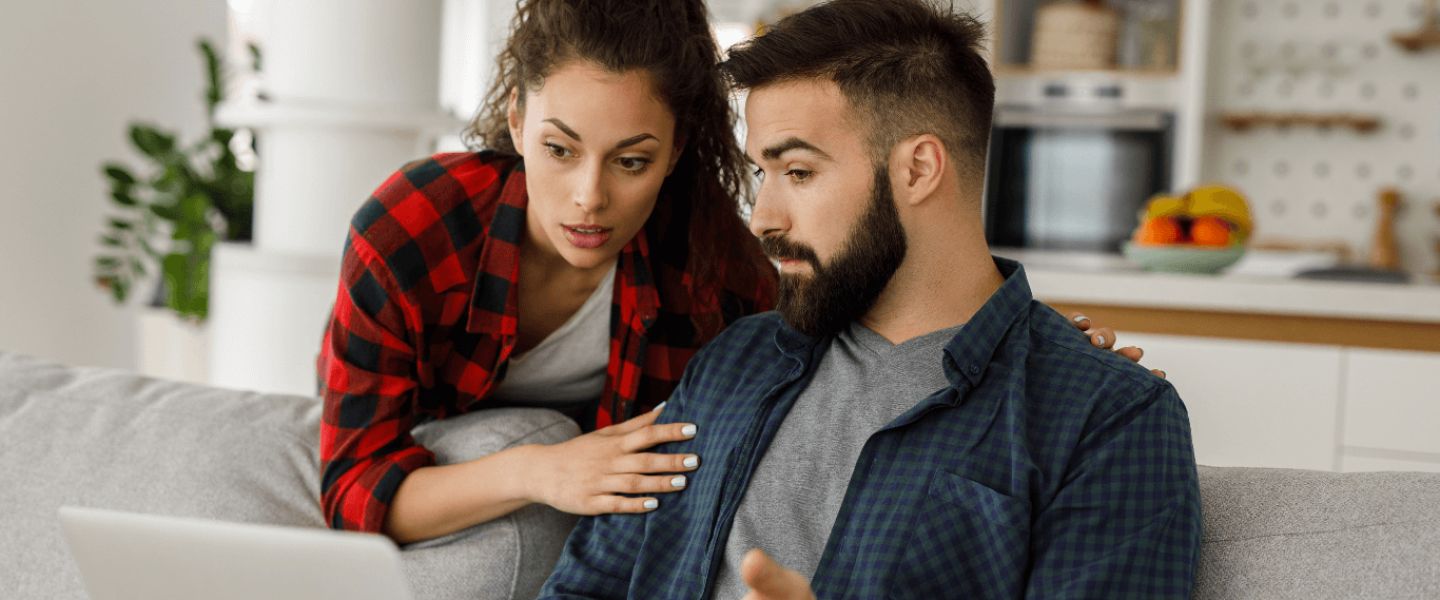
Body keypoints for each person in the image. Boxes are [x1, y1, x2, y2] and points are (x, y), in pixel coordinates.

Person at [317, 0, 1155, 545]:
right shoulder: (418, 225)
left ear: (677, 149)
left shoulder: (715, 257)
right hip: (420, 452)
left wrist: (1034, 351)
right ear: (515, 119)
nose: (589, 197)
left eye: (632, 161)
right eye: (559, 148)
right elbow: (355, 481)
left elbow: (856, 312)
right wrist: (541, 468)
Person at [539, 0, 1202, 598]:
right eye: (762, 173)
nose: (762, 218)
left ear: (918, 169)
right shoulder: (732, 362)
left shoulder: (1107, 417)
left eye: (799, 172)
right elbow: (584, 589)